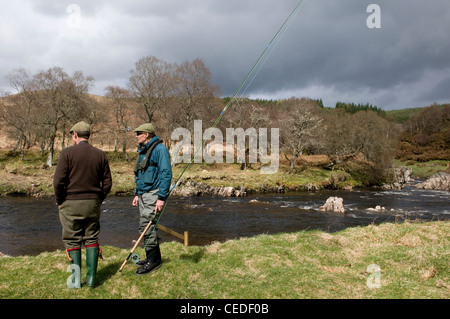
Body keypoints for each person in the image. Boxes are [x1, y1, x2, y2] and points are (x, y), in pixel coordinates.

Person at [53, 121, 112, 288]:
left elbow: (58, 181)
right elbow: (107, 182)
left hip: (70, 203)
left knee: (72, 240)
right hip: (93, 203)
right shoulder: (101, 154)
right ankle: (92, 281)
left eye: (72, 134)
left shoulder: (67, 153)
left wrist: (59, 200)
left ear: (75, 135)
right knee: (91, 238)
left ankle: (75, 281)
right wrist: (98, 198)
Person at [132, 123, 172, 275]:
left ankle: (153, 261)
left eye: (139, 133)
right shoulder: (143, 150)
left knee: (147, 226)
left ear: (147, 134)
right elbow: (140, 174)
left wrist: (161, 197)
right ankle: (152, 257)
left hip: (153, 194)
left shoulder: (160, 149)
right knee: (148, 226)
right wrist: (136, 193)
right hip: (143, 194)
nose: (136, 136)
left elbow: (166, 173)